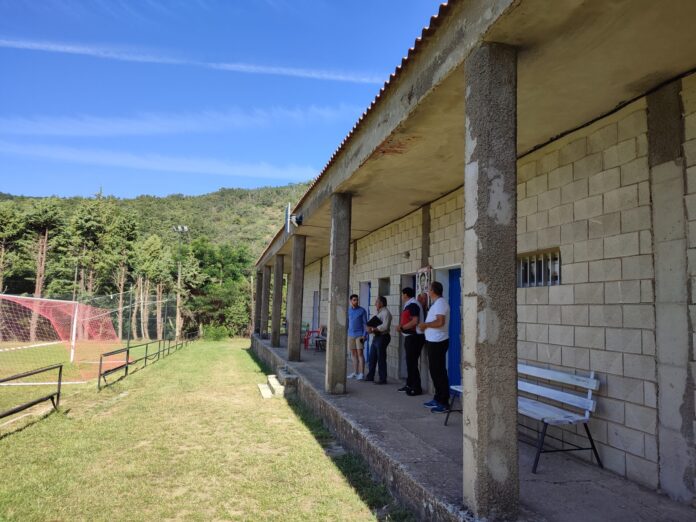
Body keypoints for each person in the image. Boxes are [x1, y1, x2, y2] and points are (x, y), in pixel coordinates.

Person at [418, 281, 450, 413]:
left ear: (433, 291)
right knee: (434, 370)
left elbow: (440, 322)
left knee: (439, 371)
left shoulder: (441, 303)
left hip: (438, 342)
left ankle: (443, 402)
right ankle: (437, 398)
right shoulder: (437, 303)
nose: (427, 291)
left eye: (429, 289)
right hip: (433, 341)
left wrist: (425, 325)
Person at [396, 287, 424, 396]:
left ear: (406, 295)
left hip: (415, 338)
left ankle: (416, 388)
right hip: (411, 337)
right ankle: (409, 384)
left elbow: (415, 321)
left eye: (402, 294)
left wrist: (402, 328)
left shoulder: (413, 304)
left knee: (412, 363)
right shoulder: (410, 304)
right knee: (409, 362)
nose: (401, 296)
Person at [365, 295, 392, 384]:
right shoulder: (378, 312)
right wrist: (369, 328)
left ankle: (382, 379)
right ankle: (370, 376)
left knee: (381, 358)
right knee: (372, 357)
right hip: (376, 337)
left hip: (383, 337)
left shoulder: (386, 313)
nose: (375, 304)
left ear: (381, 303)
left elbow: (385, 326)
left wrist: (373, 329)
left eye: (377, 302)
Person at [347, 294, 368, 380]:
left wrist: (364, 335)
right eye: (354, 300)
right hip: (351, 335)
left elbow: (365, 324)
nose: (356, 301)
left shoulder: (362, 310)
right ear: (350, 301)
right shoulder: (348, 310)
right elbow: (348, 322)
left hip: (360, 335)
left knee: (360, 354)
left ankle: (361, 373)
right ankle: (355, 373)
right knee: (353, 354)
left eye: (357, 300)